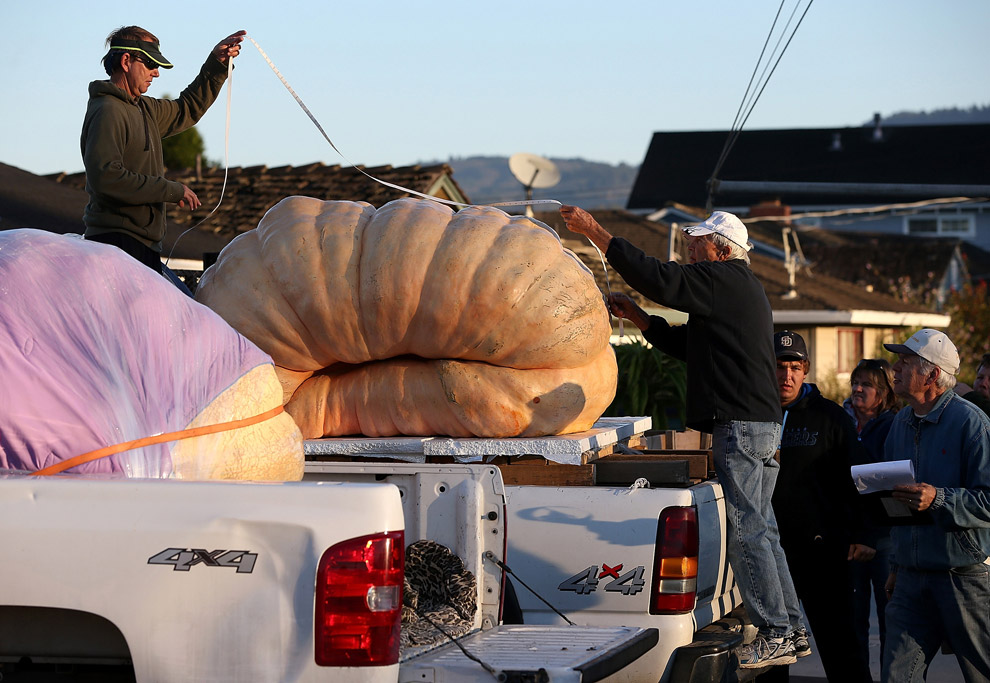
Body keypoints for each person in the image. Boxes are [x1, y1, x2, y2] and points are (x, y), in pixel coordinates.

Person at [560, 206, 801, 669]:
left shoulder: (724, 278)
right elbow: (686, 346)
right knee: (764, 530)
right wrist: (644, 320)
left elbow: (661, 278)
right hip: (759, 425)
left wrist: (596, 233)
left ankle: (775, 632)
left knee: (750, 531)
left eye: (698, 241)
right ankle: (790, 627)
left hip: (742, 426)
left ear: (721, 249)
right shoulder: (733, 290)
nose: (690, 248)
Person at [81, 26, 246, 291]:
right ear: (126, 61)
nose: (156, 73)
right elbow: (106, 178)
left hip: (142, 248)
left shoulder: (145, 108)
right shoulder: (107, 110)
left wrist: (217, 64)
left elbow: (187, 108)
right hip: (116, 246)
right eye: (150, 64)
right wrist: (171, 189)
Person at [758, 331, 874, 682]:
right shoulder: (754, 416)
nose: (787, 375)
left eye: (795, 366)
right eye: (780, 366)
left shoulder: (831, 417)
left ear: (805, 370)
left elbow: (860, 477)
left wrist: (863, 533)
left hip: (824, 552)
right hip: (770, 556)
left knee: (842, 650)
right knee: (772, 656)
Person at [880, 329, 990, 683]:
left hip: (963, 577)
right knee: (896, 677)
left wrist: (939, 499)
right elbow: (894, 498)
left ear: (932, 376)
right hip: (911, 578)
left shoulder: (971, 423)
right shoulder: (900, 421)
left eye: (905, 362)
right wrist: (896, 564)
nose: (895, 369)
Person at [843, 358, 900, 674]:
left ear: (884, 394)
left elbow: (891, 485)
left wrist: (853, 477)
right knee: (853, 625)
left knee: (891, 621)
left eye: (866, 384)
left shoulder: (894, 426)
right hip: (849, 540)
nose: (858, 389)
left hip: (884, 540)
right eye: (855, 382)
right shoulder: (842, 422)